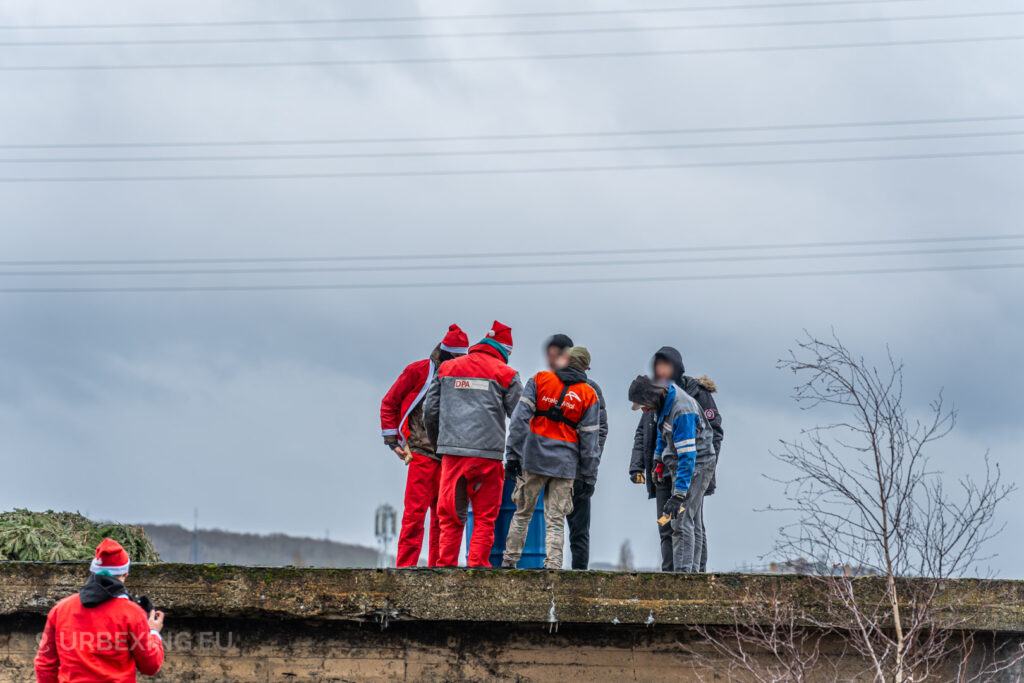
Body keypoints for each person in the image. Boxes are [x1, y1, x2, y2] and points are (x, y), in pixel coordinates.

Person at [423, 321, 523, 567]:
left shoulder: (447, 368)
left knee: (449, 518)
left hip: (452, 455)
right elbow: (521, 421)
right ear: (504, 350)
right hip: (488, 457)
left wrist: (440, 445)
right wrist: (515, 456)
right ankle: (477, 569)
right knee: (485, 518)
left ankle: (445, 571)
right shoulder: (506, 374)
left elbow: (429, 410)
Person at [503, 346, 602, 569]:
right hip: (565, 466)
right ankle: (553, 568)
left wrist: (512, 456)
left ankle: (509, 563)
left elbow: (519, 421)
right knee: (555, 520)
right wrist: (588, 477)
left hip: (534, 459)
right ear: (585, 368)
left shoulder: (540, 380)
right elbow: (590, 443)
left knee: (522, 514)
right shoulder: (588, 395)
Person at [380, 324, 469, 567]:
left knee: (443, 518)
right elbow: (390, 402)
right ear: (450, 354)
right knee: (414, 516)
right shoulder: (418, 371)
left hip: (449, 457)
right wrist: (392, 441)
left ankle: (437, 572)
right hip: (420, 453)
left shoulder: (463, 376)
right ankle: (406, 569)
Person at [629, 347, 723, 572]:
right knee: (686, 520)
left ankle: (685, 575)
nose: (644, 412)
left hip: (696, 465)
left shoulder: (681, 410)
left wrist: (679, 494)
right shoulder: (664, 402)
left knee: (681, 520)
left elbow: (688, 458)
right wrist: (657, 462)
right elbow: (662, 435)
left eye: (644, 407)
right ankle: (689, 574)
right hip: (679, 463)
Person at [34, 538, 165, 683]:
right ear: (125, 574)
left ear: (92, 571)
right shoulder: (132, 613)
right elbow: (150, 666)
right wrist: (153, 632)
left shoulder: (60, 609)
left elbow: (45, 665)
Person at [543, 335, 608, 570]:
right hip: (579, 471)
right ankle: (578, 580)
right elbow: (600, 432)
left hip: (551, 468)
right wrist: (590, 471)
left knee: (552, 524)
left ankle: (551, 574)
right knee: (579, 531)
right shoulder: (593, 389)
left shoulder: (549, 383)